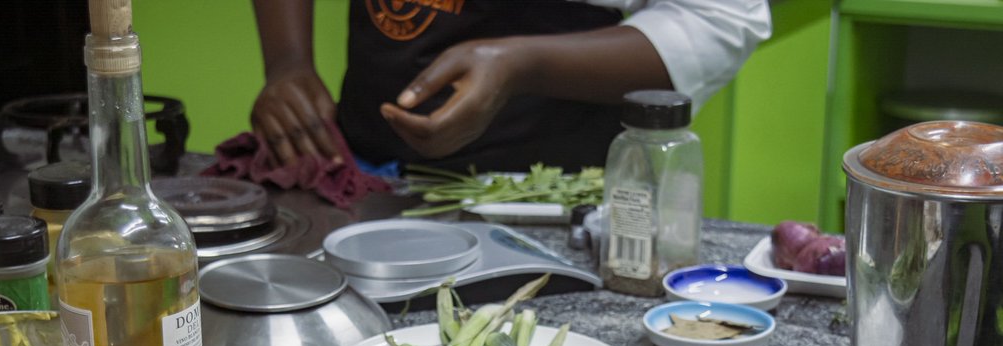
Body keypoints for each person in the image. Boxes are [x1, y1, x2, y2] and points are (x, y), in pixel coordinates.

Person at [249, 0, 771, 174]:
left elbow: (719, 18)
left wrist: (522, 66)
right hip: (361, 172)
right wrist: (287, 61)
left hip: (539, 202)